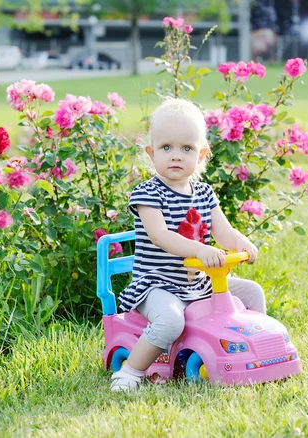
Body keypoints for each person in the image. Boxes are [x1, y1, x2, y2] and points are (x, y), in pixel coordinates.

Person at [110, 98, 267, 392]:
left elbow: (224, 232)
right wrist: (199, 250)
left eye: (187, 148)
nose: (176, 156)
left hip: (199, 285)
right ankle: (130, 371)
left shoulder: (205, 194)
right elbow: (160, 236)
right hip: (157, 285)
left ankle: (252, 352)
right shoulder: (148, 194)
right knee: (171, 321)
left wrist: (241, 242)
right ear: (151, 153)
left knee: (251, 292)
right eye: (166, 147)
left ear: (202, 154)